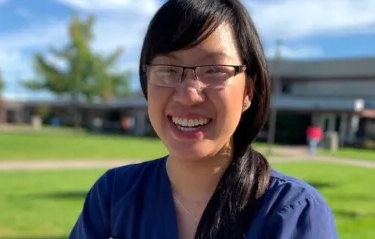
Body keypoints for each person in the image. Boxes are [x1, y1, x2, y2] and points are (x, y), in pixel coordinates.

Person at [69, 1, 338, 238]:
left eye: (213, 70)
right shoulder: (114, 196)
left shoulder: (293, 213)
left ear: (247, 91)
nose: (188, 95)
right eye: (167, 70)